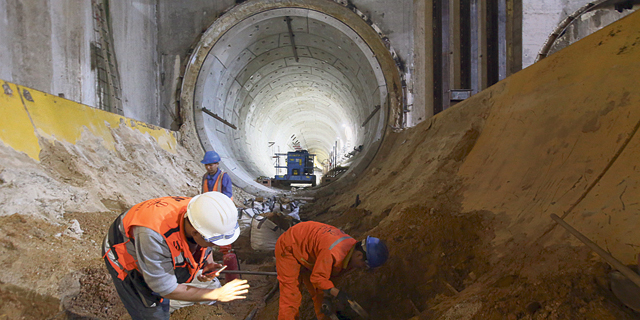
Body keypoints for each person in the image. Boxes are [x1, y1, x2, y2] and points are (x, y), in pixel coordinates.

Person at [102, 192, 249, 319]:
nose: (216, 246)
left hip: (157, 242)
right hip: (124, 252)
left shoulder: (200, 212)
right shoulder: (154, 235)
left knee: (174, 283)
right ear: (196, 232)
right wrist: (216, 294)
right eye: (213, 241)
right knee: (152, 311)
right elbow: (165, 288)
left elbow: (205, 241)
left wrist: (207, 263)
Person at [275, 221, 389, 320]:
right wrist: (338, 294)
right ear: (359, 255)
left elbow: (327, 278)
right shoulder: (333, 252)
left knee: (320, 294)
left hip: (310, 251)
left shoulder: (350, 251)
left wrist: (327, 297)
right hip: (290, 246)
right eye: (364, 265)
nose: (362, 269)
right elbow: (317, 278)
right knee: (291, 296)